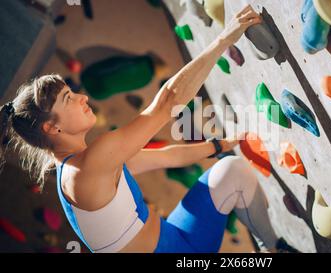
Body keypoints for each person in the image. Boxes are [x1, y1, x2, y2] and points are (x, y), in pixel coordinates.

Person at [0, 5, 298, 253]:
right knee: (233, 175)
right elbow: (167, 101)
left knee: (233, 171)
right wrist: (223, 39)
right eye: (69, 98)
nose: (83, 97)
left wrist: (223, 144)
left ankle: (273, 246)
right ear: (52, 127)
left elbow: (165, 157)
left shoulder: (88, 164)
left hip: (175, 235)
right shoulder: (90, 168)